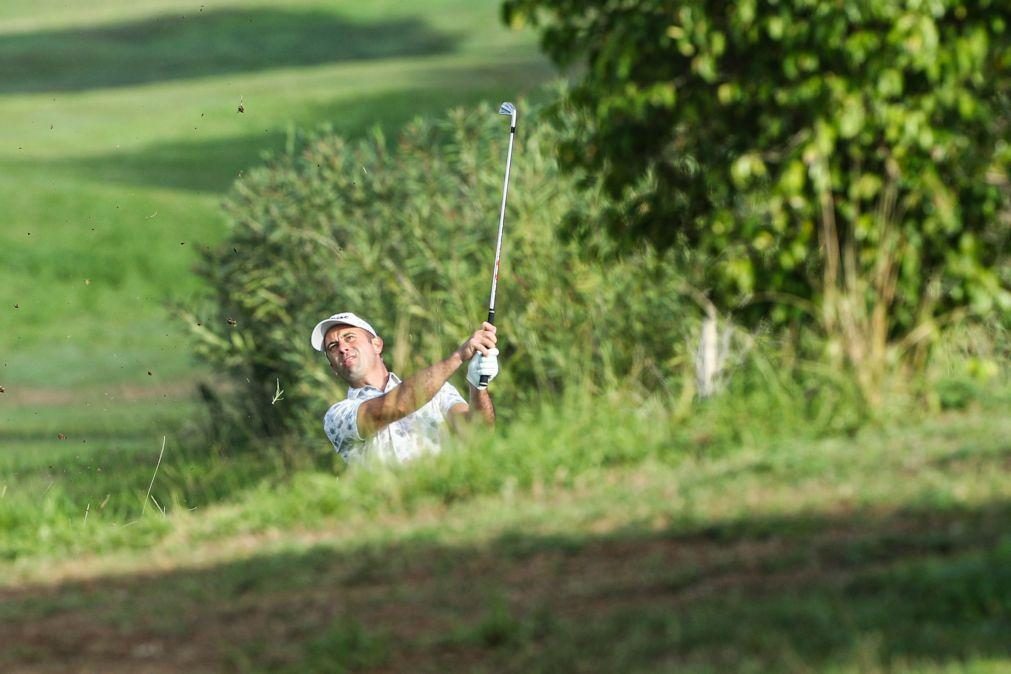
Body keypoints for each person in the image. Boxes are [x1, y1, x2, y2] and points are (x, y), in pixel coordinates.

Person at [310, 311, 499, 464]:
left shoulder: (439, 390)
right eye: (333, 346)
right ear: (333, 367)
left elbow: (478, 432)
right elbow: (396, 405)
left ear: (377, 345)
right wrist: (458, 357)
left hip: (446, 504)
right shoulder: (337, 416)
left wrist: (478, 386)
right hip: (392, 510)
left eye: (349, 337)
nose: (342, 348)